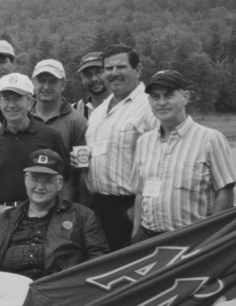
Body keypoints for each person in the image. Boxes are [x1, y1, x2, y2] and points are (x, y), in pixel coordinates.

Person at [130, 70, 236, 242]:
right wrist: (135, 235)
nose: (162, 102)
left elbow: (225, 193)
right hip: (148, 240)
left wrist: (209, 239)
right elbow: (140, 194)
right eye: (155, 97)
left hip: (192, 241)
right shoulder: (144, 142)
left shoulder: (210, 139)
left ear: (185, 97)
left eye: (169, 95)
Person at [0, 149, 108, 280]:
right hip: (12, 288)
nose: (39, 186)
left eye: (47, 181)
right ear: (26, 180)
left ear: (59, 183)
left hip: (58, 290)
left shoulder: (82, 216)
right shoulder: (5, 218)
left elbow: (99, 258)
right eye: (35, 179)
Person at [82, 44, 159, 251]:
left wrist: (136, 214)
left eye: (121, 67)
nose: (113, 73)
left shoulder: (150, 107)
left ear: (138, 70)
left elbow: (162, 165)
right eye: (108, 69)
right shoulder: (98, 112)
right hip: (98, 208)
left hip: (131, 207)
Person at [0, 73, 69, 224]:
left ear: (30, 102)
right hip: (2, 215)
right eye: (6, 98)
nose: (11, 105)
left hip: (44, 213)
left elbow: (65, 180)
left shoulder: (50, 136)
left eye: (17, 98)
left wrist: (62, 217)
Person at [30, 59, 88, 152]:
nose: (46, 87)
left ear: (63, 84)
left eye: (52, 82)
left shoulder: (77, 122)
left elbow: (81, 164)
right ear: (33, 82)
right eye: (41, 81)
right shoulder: (23, 117)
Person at [74, 52, 110, 119]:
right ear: (82, 78)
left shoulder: (126, 106)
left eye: (99, 72)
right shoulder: (74, 110)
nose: (94, 79)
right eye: (87, 75)